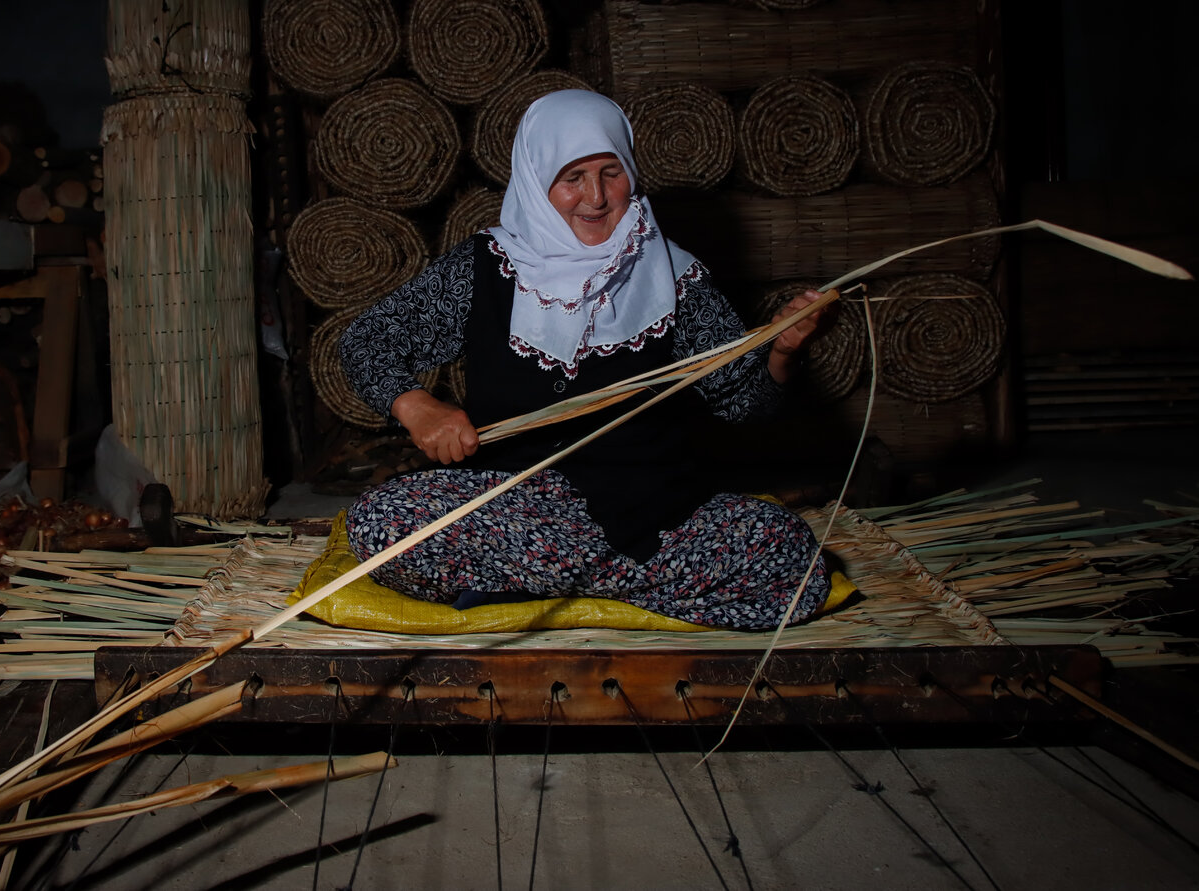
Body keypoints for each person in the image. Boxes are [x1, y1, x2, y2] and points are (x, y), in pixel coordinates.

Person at [337, 89, 830, 629]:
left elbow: (745, 405)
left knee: (787, 551)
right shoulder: (484, 269)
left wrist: (781, 352)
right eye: (572, 178)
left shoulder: (676, 275)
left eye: (611, 172)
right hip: (511, 509)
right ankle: (623, 584)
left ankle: (541, 588)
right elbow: (367, 341)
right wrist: (416, 406)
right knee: (383, 522)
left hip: (655, 513)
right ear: (535, 178)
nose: (595, 197)